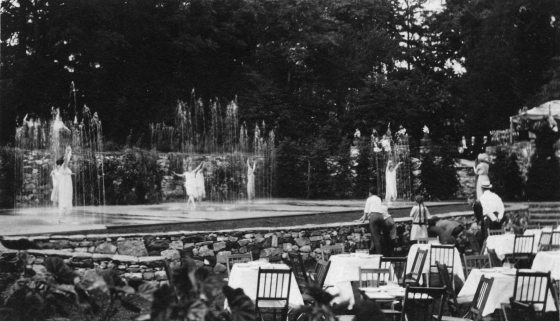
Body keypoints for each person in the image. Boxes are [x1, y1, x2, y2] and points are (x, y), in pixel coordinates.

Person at [358, 189, 385, 254]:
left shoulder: (369, 199)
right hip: (380, 216)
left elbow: (366, 210)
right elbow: (375, 208)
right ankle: (372, 250)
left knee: (375, 237)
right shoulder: (378, 198)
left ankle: (379, 254)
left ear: (370, 193)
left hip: (373, 217)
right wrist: (362, 217)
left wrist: (364, 219)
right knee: (377, 235)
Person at [52, 146, 73, 223]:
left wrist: (67, 153)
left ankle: (60, 219)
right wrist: (67, 152)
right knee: (64, 201)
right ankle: (60, 219)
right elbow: (66, 160)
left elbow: (66, 160)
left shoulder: (61, 169)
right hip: (65, 187)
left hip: (65, 186)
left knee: (64, 201)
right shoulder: (63, 168)